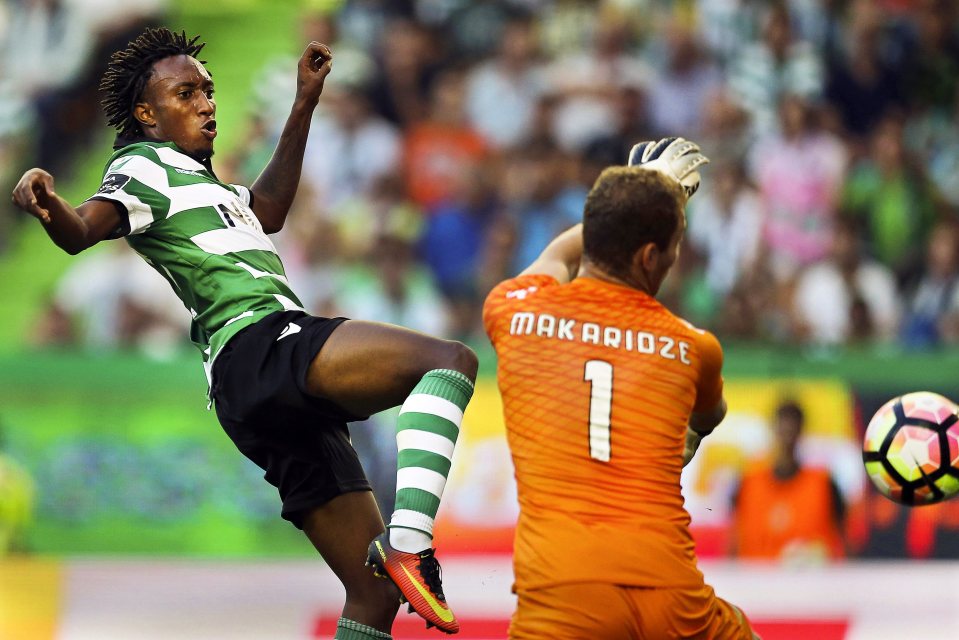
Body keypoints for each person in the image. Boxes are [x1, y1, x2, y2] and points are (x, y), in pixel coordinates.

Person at [11, 28, 477, 639]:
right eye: (186, 93)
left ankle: (397, 562)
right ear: (146, 113)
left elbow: (270, 209)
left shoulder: (209, 186)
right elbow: (86, 227)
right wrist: (50, 204)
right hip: (260, 344)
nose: (206, 103)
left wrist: (304, 101)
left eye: (208, 90)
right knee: (449, 362)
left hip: (250, 392)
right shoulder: (141, 166)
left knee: (372, 597)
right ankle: (411, 543)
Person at [483, 138, 757, 639]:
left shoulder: (514, 311)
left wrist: (645, 193)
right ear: (650, 256)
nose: (675, 258)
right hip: (671, 596)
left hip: (563, 593)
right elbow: (709, 415)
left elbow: (557, 256)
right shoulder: (695, 347)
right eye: (674, 245)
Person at [731, 401, 845, 563]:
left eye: (792, 431)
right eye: (783, 430)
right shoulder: (747, 483)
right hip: (755, 584)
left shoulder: (824, 484)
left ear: (801, 432)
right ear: (773, 430)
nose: (787, 439)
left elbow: (843, 542)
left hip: (810, 585)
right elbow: (733, 541)